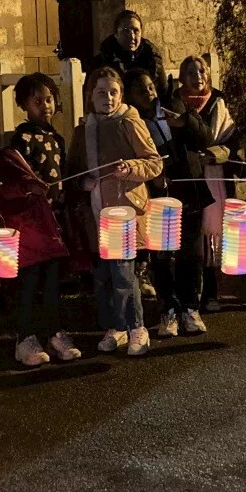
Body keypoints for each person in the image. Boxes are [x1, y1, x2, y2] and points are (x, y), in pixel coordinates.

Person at [67, 67, 163, 356]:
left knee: (124, 274)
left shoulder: (130, 122)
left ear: (121, 95)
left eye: (113, 92)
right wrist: (81, 181)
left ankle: (137, 328)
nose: (107, 98)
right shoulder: (83, 129)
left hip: (124, 212)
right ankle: (116, 327)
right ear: (90, 96)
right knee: (103, 277)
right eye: (101, 92)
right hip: (95, 213)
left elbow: (154, 163)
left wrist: (130, 169)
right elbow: (74, 170)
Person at [0, 73, 78, 365]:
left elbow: (62, 173)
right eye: (37, 101)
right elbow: (18, 176)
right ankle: (25, 338)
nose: (45, 106)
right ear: (24, 105)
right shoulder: (22, 139)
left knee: (53, 280)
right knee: (30, 280)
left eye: (49, 99)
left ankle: (54, 332)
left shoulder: (58, 138)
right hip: (32, 223)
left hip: (54, 221)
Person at [124, 68, 213, 338]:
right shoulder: (132, 122)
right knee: (162, 255)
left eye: (151, 87)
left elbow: (205, 137)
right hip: (159, 195)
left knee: (192, 252)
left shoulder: (175, 106)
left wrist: (186, 121)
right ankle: (169, 309)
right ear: (130, 96)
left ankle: (190, 308)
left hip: (191, 188)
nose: (149, 93)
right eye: (141, 90)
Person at [177, 55, 238, 313]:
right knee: (192, 235)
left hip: (214, 176)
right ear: (182, 77)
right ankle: (189, 293)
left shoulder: (218, 104)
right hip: (188, 178)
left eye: (202, 71)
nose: (198, 76)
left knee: (213, 233)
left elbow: (233, 141)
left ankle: (211, 291)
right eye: (191, 72)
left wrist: (215, 154)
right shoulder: (176, 106)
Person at [92, 10, 167, 100]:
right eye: (126, 31)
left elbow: (164, 93)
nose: (132, 36)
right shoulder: (102, 61)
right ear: (116, 34)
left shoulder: (153, 59)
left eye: (136, 31)